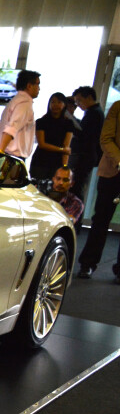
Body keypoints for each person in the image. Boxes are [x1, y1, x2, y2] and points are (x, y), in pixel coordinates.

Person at [76, 99, 120, 281]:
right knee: (100, 220)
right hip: (112, 170)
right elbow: (106, 138)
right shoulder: (117, 107)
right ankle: (87, 264)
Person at [31, 92, 76, 191]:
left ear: (64, 104)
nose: (55, 105)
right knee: (37, 190)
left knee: (53, 192)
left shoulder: (69, 123)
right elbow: (42, 144)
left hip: (57, 164)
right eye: (53, 102)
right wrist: (61, 150)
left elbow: (66, 147)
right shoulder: (41, 122)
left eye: (59, 102)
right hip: (40, 162)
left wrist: (65, 167)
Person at [0, 70, 41, 160]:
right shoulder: (24, 103)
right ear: (29, 86)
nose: (39, 88)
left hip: (5, 153)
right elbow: (12, 127)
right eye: (37, 84)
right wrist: (0, 150)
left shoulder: (17, 100)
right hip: (8, 155)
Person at [69, 86, 104, 198]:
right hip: (87, 155)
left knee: (77, 187)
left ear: (89, 97)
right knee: (77, 186)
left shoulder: (94, 113)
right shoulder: (93, 112)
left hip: (86, 156)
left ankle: (76, 212)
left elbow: (85, 134)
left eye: (79, 100)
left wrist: (71, 123)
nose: (78, 104)